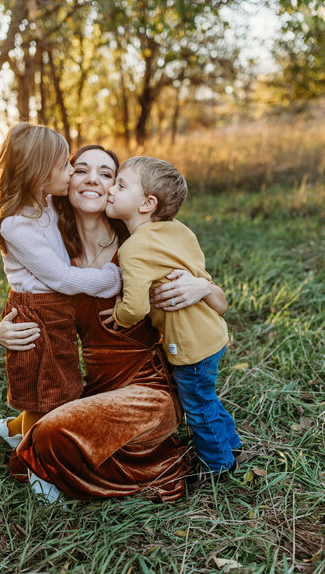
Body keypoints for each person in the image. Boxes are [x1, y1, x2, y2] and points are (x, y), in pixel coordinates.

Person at [0, 145, 228, 502]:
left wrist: (203, 286)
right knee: (58, 423)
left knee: (50, 432)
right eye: (81, 169)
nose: (93, 179)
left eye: (107, 174)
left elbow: (221, 305)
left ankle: (33, 441)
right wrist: (2, 330)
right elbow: (28, 300)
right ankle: (28, 433)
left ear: (119, 190)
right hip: (98, 388)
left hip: (151, 391)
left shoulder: (140, 243)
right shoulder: (57, 258)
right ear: (66, 182)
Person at [0, 124, 122, 445]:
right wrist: (110, 280)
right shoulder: (17, 225)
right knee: (47, 393)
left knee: (57, 380)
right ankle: (38, 466)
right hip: (37, 313)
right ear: (39, 173)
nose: (72, 172)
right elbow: (59, 277)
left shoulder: (47, 204)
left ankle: (13, 430)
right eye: (65, 166)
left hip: (53, 310)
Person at [106, 156, 241, 475]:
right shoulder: (177, 229)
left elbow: (135, 308)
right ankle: (231, 441)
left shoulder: (135, 248)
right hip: (212, 331)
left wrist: (117, 316)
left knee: (197, 407)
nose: (111, 189)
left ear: (147, 203)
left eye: (121, 185)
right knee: (206, 396)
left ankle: (219, 465)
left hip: (190, 344)